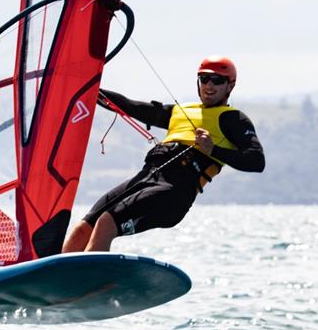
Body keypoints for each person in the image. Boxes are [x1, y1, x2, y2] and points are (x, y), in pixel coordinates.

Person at [62, 56, 265, 253]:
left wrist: (212, 149)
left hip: (175, 191)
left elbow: (257, 161)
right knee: (85, 227)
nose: (209, 86)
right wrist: (86, 88)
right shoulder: (180, 111)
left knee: (107, 222)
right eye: (204, 79)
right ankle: (52, 281)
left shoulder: (233, 119)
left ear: (229, 86)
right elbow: (132, 106)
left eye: (217, 81)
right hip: (147, 177)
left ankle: (90, 283)